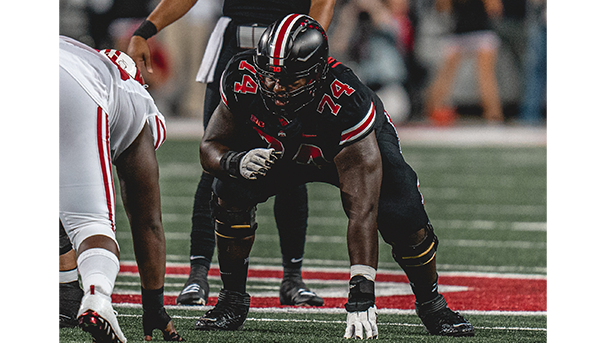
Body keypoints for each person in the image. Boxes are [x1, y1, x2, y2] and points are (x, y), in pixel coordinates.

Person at [195, 14, 475, 338]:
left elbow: (362, 210)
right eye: (269, 78)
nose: (276, 88)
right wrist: (235, 162)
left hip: (342, 149)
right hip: (283, 149)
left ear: (316, 74)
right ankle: (231, 299)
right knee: (228, 189)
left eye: (290, 80)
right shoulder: (243, 76)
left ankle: (432, 304)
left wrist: (362, 291)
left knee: (405, 214)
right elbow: (210, 145)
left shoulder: (345, 99)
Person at [127, 0, 336, 307]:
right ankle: (197, 275)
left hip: (288, 59)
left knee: (292, 162)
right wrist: (145, 31)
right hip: (233, 48)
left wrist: (302, 51)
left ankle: (293, 278)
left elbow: (322, 2)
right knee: (215, 158)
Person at [59, 35, 184, 342]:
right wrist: (154, 305)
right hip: (71, 87)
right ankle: (97, 298)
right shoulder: (129, 94)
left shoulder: (83, 57)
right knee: (90, 223)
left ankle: (63, 296)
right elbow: (147, 222)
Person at [425, 0, 504, 124]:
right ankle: (431, 112)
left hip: (481, 32)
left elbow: (494, 8)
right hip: (459, 33)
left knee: (485, 77)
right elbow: (442, 9)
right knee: (445, 76)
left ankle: (493, 116)